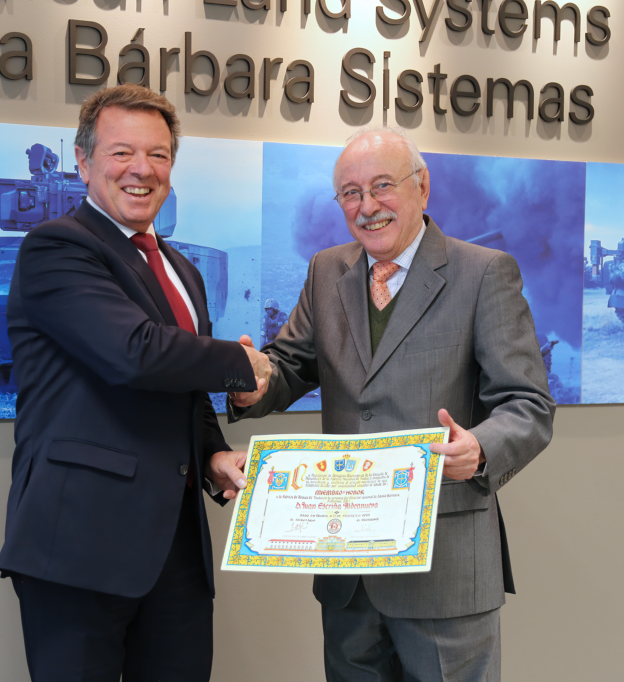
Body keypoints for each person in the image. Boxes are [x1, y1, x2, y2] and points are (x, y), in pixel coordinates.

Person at [229, 126, 555, 682]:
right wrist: (255, 382)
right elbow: (289, 366)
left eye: (383, 186)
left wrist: (479, 449)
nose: (367, 206)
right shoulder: (326, 270)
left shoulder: (484, 273)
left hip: (445, 570)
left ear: (421, 187)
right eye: (350, 193)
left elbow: (529, 404)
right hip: (347, 571)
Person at [0, 84, 270, 682]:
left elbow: (184, 390)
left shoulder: (183, 269)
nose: (142, 169)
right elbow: (134, 353)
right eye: (121, 153)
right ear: (83, 161)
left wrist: (213, 453)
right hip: (77, 546)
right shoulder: (56, 247)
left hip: (175, 548)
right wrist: (243, 363)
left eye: (158, 154)